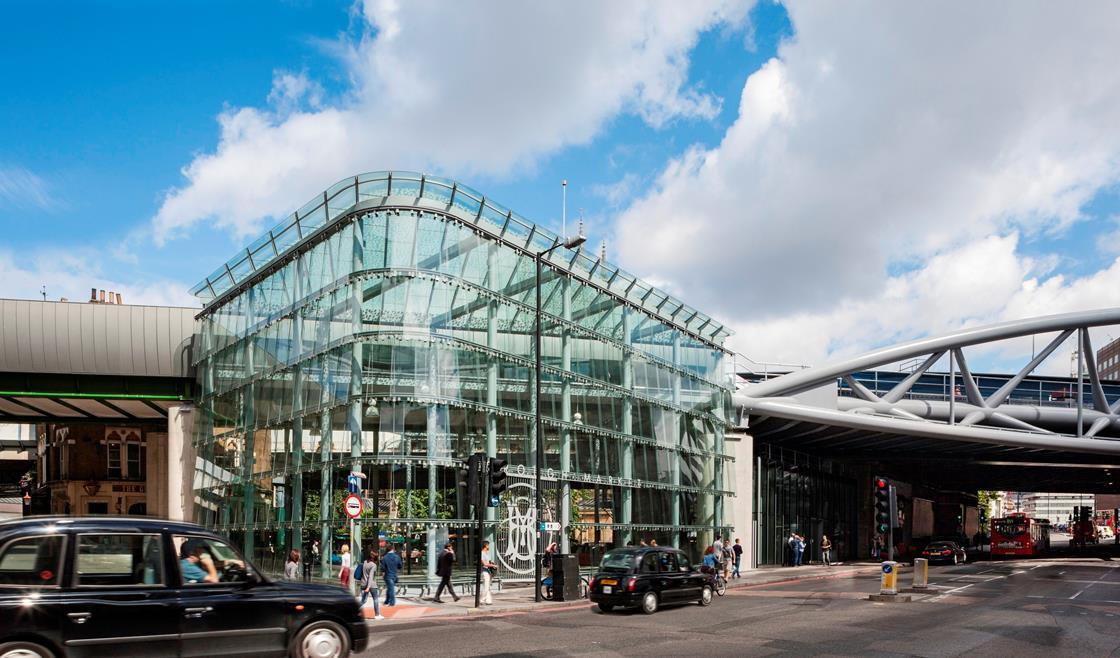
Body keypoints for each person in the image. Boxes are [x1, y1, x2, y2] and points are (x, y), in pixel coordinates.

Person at [359, 548, 384, 620]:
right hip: (371, 585)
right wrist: (368, 587)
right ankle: (377, 615)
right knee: (375, 599)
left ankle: (353, 611)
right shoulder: (373, 565)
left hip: (363, 583)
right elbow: (370, 576)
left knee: (363, 600)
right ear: (375, 557)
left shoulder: (364, 562)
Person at [480, 540, 497, 605]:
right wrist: (493, 565)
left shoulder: (487, 553)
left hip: (488, 571)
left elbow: (488, 562)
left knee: (488, 586)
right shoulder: (481, 553)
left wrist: (492, 565)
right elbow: (484, 564)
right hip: (484, 571)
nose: (488, 546)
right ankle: (482, 600)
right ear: (485, 545)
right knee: (486, 586)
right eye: (488, 545)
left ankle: (488, 600)